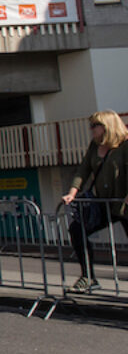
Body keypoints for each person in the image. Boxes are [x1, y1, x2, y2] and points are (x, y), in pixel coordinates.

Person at [61, 110, 128, 293]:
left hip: (123, 203)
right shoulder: (95, 145)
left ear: (107, 126)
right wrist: (72, 193)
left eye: (94, 126)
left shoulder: (125, 144)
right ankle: (88, 277)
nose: (91, 129)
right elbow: (83, 170)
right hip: (103, 202)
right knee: (77, 229)